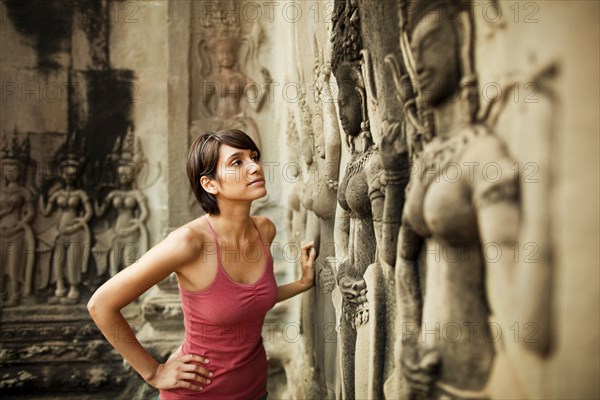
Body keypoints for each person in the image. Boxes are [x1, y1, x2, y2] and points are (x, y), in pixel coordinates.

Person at [88, 129, 316, 400]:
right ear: (209, 184)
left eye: (254, 157)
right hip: (197, 393)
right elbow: (100, 305)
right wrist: (153, 372)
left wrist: (302, 284)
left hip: (255, 390)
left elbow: (246, 301)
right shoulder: (188, 242)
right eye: (237, 162)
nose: (255, 167)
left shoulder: (264, 230)